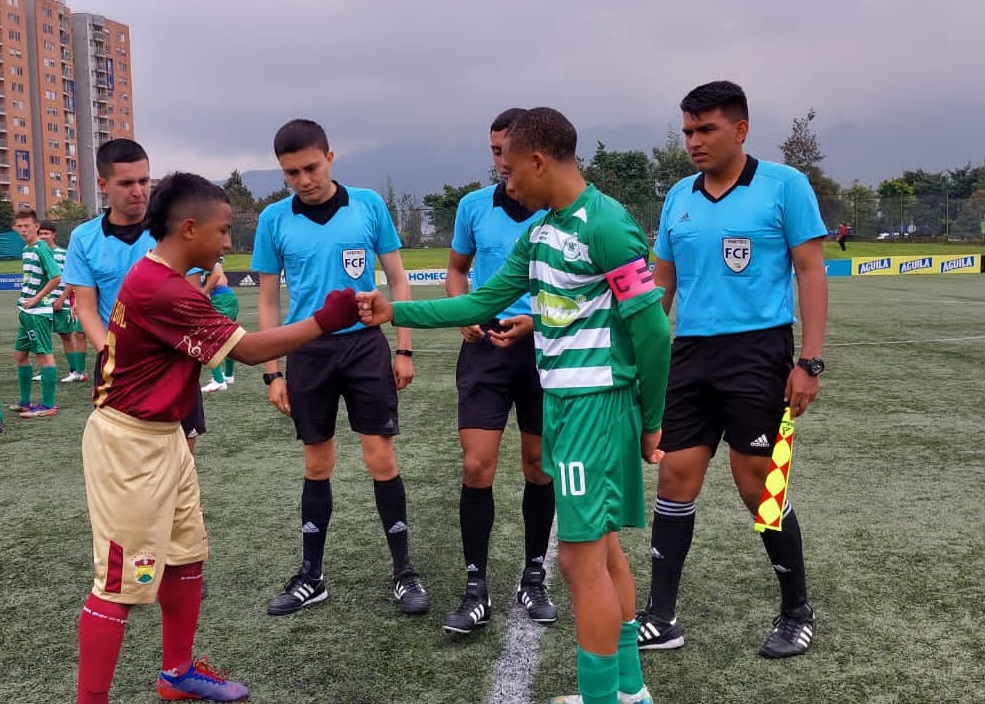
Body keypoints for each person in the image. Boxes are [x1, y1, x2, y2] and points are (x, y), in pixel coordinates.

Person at [357, 107, 670, 704]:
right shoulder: (542, 231)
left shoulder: (606, 224)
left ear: (539, 160)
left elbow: (653, 332)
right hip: (565, 405)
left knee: (579, 564)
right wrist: (394, 310)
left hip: (594, 407)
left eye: (510, 167)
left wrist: (653, 421)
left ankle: (603, 699)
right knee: (602, 549)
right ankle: (629, 691)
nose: (505, 178)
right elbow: (481, 301)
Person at [75, 172, 360, 704]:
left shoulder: (166, 279)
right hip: (129, 448)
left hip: (164, 436)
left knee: (185, 555)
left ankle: (177, 673)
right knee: (118, 583)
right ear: (189, 228)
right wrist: (326, 320)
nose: (228, 242)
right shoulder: (162, 288)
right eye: (223, 230)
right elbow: (249, 351)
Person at [637, 80, 827, 659]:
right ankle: (661, 616)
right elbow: (662, 283)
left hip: (758, 353)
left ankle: (797, 611)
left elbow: (810, 271)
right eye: (687, 131)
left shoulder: (784, 185)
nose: (693, 141)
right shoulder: (679, 196)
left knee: (758, 485)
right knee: (674, 477)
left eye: (706, 129)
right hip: (689, 355)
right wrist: (642, 352)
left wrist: (809, 361)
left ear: (740, 130)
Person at [252, 118, 429, 617]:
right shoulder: (273, 219)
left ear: (330, 157)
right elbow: (268, 301)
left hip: (365, 348)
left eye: (310, 167)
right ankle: (312, 576)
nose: (303, 180)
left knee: (381, 458)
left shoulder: (368, 205)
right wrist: (273, 371)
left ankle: (404, 572)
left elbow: (397, 280)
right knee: (316, 464)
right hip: (306, 351)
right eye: (291, 173)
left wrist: (404, 349)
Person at [441, 108, 556, 634]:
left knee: (538, 466)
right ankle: (475, 588)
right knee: (476, 466)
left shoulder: (555, 207)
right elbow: (457, 270)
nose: (501, 161)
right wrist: (461, 309)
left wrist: (537, 322)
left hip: (544, 348)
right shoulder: (473, 206)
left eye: (508, 150)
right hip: (485, 349)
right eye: (494, 151)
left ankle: (534, 577)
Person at [61, 138, 208, 453]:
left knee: (182, 456)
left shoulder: (175, 229)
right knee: (125, 460)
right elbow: (86, 309)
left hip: (173, 362)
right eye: (126, 183)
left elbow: (192, 298)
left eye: (144, 181)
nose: (139, 191)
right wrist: (111, 354)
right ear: (103, 185)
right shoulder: (83, 238)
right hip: (118, 367)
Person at [10, 209, 61, 418]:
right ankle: (25, 402)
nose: (23, 230)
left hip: (38, 312)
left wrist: (36, 298)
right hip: (26, 311)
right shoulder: (26, 249)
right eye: (20, 226)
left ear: (36, 226)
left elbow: (56, 277)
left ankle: (48, 405)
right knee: (20, 355)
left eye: (27, 226)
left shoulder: (41, 248)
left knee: (44, 356)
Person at [38, 221, 90, 383]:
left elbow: (70, 278)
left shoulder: (63, 254)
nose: (43, 236)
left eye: (46, 233)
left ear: (53, 235)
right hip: (41, 303)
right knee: (42, 337)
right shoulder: (36, 252)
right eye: (40, 233)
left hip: (59, 302)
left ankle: (75, 370)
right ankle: (46, 370)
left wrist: (62, 299)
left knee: (66, 336)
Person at [199, 258, 240, 393]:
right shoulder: (212, 259)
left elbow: (218, 277)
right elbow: (223, 279)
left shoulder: (205, 257)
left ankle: (219, 380)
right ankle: (228, 375)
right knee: (227, 338)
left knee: (207, 339)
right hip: (227, 298)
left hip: (222, 300)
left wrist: (203, 293)